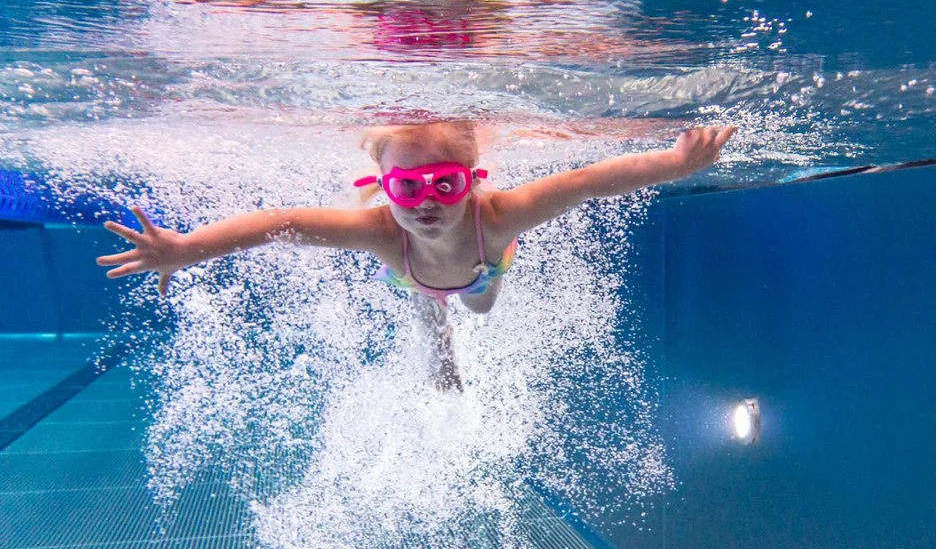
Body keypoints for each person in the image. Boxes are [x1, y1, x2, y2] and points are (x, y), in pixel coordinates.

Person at [97, 116, 734, 385]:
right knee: (427, 310)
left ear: (473, 180)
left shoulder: (502, 215)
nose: (426, 201)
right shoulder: (378, 228)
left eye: (445, 183)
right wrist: (186, 249)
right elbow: (278, 223)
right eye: (407, 186)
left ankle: (455, 317)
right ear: (383, 187)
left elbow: (593, 180)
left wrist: (675, 163)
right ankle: (439, 351)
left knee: (479, 307)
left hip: (484, 267)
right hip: (410, 275)